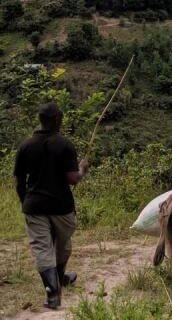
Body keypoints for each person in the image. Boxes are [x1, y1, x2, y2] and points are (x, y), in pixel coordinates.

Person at [13, 102, 89, 310]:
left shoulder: (25, 146)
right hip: (61, 207)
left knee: (42, 249)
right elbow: (73, 179)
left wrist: (25, 202)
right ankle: (56, 288)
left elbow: (19, 181)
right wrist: (82, 169)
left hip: (34, 206)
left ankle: (55, 287)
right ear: (57, 120)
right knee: (63, 246)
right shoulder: (65, 145)